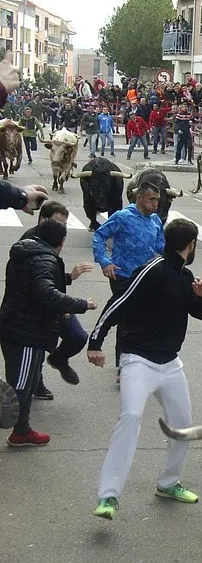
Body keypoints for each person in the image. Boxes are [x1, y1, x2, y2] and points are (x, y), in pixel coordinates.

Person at [87, 219, 202, 520]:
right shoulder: (153, 270)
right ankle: (108, 497)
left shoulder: (185, 275)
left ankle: (169, 483)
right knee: (130, 416)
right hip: (138, 360)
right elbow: (119, 303)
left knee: (182, 424)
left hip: (170, 364)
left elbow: (197, 312)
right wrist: (95, 341)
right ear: (191, 245)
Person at [0, 219, 96, 446]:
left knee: (27, 383)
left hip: (25, 328)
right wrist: (82, 304)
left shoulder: (28, 252)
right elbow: (47, 294)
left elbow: (33, 288)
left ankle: (22, 431)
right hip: (23, 333)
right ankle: (19, 432)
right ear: (62, 241)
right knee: (20, 388)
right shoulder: (43, 260)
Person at [20, 202, 94, 399]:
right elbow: (39, 287)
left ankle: (59, 359)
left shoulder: (53, 239)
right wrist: (66, 305)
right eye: (58, 223)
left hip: (56, 302)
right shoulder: (31, 242)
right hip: (38, 307)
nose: (63, 230)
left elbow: (50, 279)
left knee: (78, 336)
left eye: (65, 224)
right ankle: (35, 384)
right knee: (38, 345)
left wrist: (69, 277)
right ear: (42, 220)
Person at [92, 182, 166, 377]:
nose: (155, 203)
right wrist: (104, 261)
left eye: (157, 200)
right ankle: (123, 366)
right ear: (139, 197)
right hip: (122, 275)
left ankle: (138, 361)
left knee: (141, 320)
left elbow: (161, 247)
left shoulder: (156, 221)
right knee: (125, 320)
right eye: (152, 199)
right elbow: (99, 236)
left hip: (146, 277)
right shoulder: (122, 217)